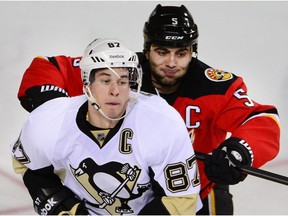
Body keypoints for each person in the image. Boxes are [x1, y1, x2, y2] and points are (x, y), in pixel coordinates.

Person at [16, 4, 280, 215]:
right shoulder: (119, 72)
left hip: (189, 195)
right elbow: (49, 66)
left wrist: (239, 150)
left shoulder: (215, 86)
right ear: (147, 49)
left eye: (182, 53)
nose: (171, 63)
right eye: (162, 51)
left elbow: (261, 118)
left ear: (193, 52)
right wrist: (49, 105)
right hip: (124, 198)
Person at [10, 38, 202, 215]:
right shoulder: (51, 120)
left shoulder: (161, 121)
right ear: (87, 85)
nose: (115, 91)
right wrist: (68, 209)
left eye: (123, 81)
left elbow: (181, 199)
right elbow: (28, 166)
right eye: (105, 80)